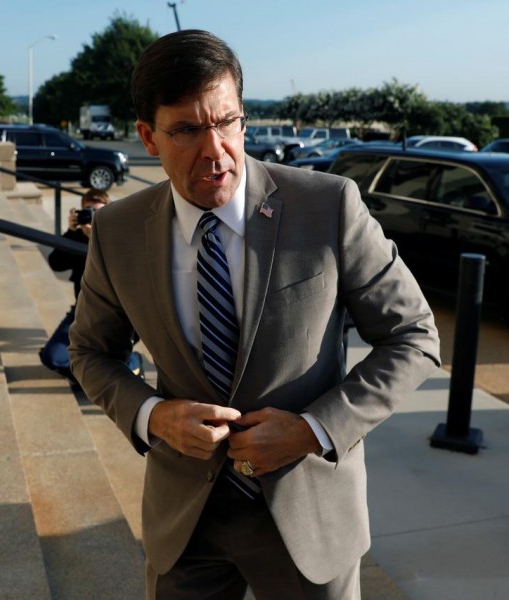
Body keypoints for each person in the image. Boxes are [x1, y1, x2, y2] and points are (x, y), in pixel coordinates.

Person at [68, 29, 440, 600]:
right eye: (188, 130)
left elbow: (414, 336)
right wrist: (153, 416)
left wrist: (313, 431)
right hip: (185, 523)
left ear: (243, 119)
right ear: (148, 137)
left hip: (307, 518)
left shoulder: (328, 206)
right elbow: (91, 352)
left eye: (226, 122)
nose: (215, 150)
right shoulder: (118, 231)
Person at [40, 189, 143, 381]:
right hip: (84, 312)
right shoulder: (76, 237)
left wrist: (95, 240)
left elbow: (125, 274)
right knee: (52, 358)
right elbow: (56, 264)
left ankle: (132, 361)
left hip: (120, 315)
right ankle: (92, 376)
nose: (92, 217)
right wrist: (71, 233)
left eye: (98, 213)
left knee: (115, 363)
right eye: (88, 211)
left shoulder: (118, 238)